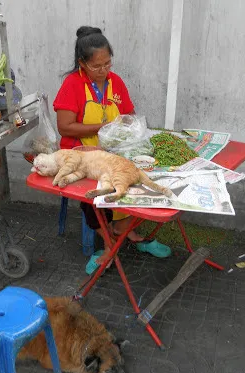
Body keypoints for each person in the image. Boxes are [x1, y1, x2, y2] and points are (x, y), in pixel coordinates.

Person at [53, 26, 171, 271]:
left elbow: (129, 115)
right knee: (92, 197)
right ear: (82, 63)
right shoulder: (72, 84)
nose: (104, 70)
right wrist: (103, 127)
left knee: (135, 179)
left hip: (114, 153)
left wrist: (127, 130)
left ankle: (126, 229)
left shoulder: (115, 82)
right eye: (97, 66)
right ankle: (108, 244)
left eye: (108, 64)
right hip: (83, 156)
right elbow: (65, 127)